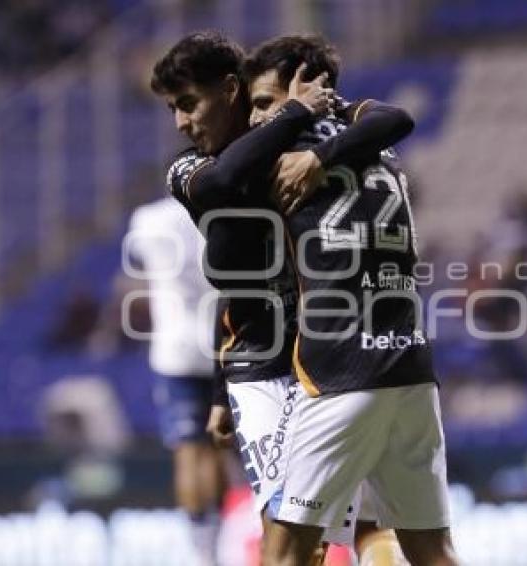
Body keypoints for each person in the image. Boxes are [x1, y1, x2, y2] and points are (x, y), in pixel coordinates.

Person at [150, 31, 413, 565]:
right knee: (285, 519)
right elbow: (225, 182)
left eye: (188, 104)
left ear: (230, 90)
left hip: (325, 353)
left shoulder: (292, 145)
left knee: (363, 515)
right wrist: (295, 113)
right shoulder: (189, 169)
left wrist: (319, 147)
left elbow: (393, 121)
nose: (180, 122)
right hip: (257, 362)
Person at [233, 35, 458, 566]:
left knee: (286, 551)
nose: (255, 119)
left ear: (305, 89)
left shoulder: (280, 158)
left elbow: (222, 179)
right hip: (409, 365)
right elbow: (393, 117)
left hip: (339, 370)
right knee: (432, 550)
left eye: (265, 102)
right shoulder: (381, 149)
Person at [125, 196, 224, 565]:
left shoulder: (149, 218)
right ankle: (218, 542)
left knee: (188, 450)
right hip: (219, 344)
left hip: (175, 350)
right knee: (216, 447)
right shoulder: (222, 208)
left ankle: (203, 553)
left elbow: (136, 267)